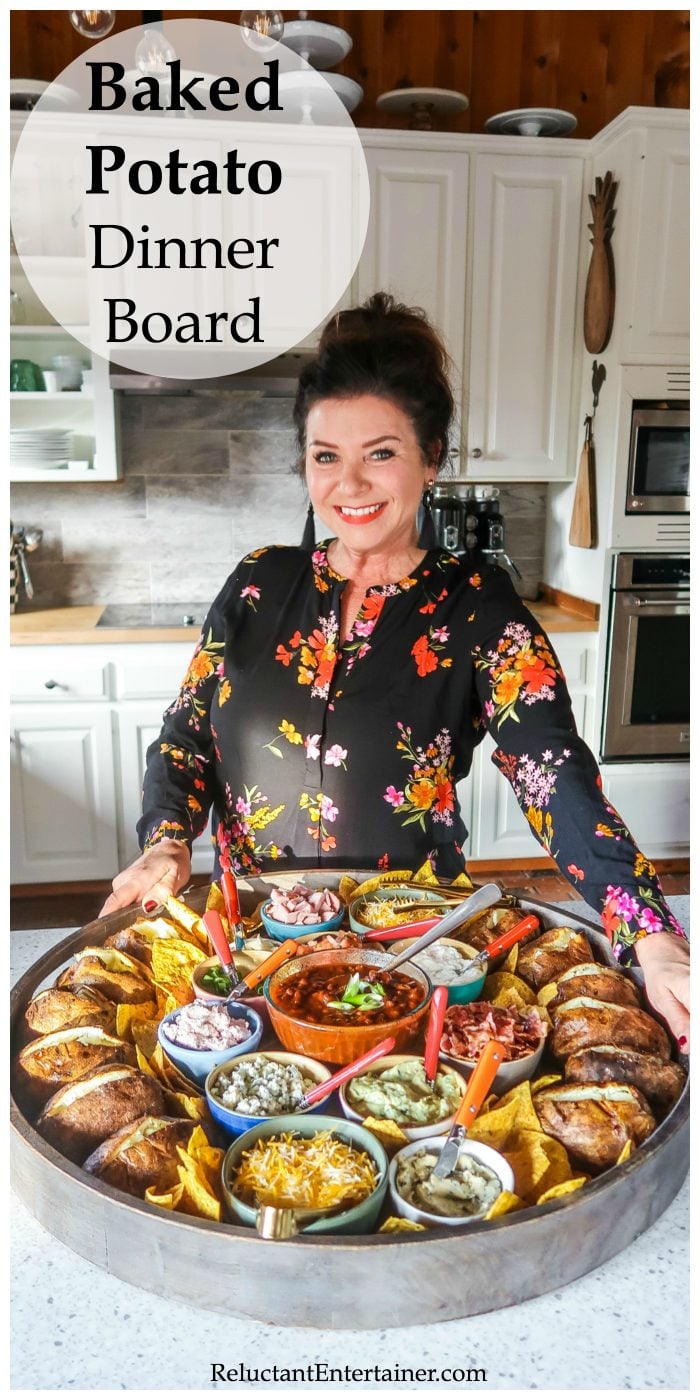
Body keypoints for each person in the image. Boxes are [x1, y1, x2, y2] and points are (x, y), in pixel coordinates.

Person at [100, 294, 690, 1048]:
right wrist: (167, 839)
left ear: (431, 455)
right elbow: (185, 740)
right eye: (325, 457)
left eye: (380, 453)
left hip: (411, 951)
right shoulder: (256, 583)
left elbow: (555, 777)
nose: (349, 485)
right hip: (248, 952)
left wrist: (653, 935)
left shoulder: (476, 605)